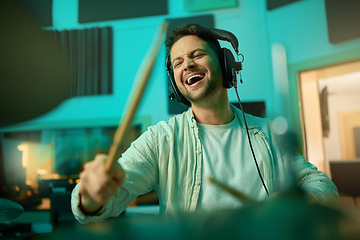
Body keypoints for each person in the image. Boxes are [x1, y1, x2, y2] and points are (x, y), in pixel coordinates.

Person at [71, 23, 338, 224]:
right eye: (177, 62)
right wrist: (92, 195)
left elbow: (321, 185)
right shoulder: (161, 139)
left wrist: (298, 203)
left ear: (225, 64)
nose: (187, 64)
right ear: (175, 85)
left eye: (197, 54)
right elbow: (105, 202)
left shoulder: (267, 132)